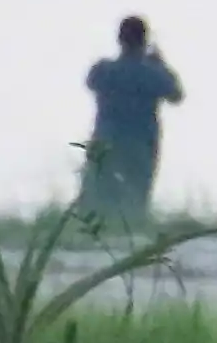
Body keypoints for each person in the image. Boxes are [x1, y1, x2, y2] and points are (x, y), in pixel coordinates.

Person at [75, 15, 182, 226]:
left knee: (97, 195)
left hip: (106, 139)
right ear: (144, 40)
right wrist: (160, 64)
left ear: (119, 39)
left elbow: (90, 82)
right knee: (136, 196)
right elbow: (176, 95)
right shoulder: (152, 72)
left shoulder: (103, 69)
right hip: (141, 143)